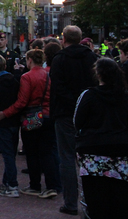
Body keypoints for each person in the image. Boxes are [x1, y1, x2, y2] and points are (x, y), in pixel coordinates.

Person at [0, 49, 60, 199]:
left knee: (32, 152)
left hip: (32, 116)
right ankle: (51, 186)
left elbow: (22, 102)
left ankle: (35, 185)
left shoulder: (27, 77)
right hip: (48, 115)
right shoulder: (49, 75)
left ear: (30, 60)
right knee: (47, 152)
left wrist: (5, 113)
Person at [50, 25, 97, 216]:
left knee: (67, 158)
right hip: (90, 115)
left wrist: (71, 104)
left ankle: (70, 203)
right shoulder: (92, 58)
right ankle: (91, 201)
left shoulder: (59, 59)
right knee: (89, 158)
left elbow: (58, 89)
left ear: (64, 39)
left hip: (66, 114)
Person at [74, 58, 128, 219]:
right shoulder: (125, 96)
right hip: (121, 151)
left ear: (98, 74)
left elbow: (77, 121)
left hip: (93, 152)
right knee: (120, 198)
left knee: (95, 199)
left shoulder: (89, 95)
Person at [0, 54, 21, 198]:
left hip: (2, 123)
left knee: (7, 155)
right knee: (11, 153)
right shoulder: (14, 81)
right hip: (14, 121)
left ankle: (12, 185)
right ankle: (6, 182)